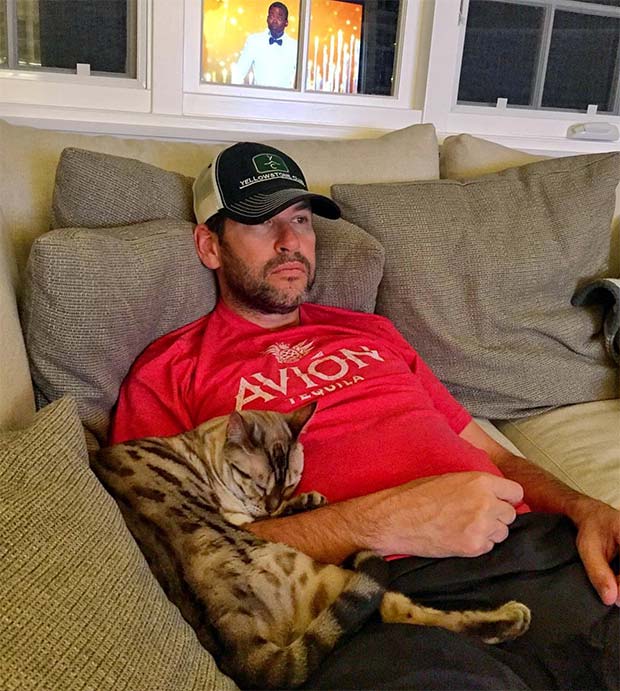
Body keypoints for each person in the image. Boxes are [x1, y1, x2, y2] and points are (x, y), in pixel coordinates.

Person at [110, 141, 620, 689]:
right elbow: (182, 556)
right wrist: (387, 521)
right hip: (380, 605)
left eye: (300, 219)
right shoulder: (169, 370)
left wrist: (583, 509)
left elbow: (492, 452)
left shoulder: (370, 332)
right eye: (260, 223)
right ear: (209, 246)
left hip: (536, 550)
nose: (290, 243)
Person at [231, 2, 298, 89]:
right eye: (272, 16)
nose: (274, 20)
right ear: (267, 19)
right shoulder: (254, 41)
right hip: (258, 98)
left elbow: (301, 78)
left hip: (284, 100)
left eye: (279, 17)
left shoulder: (294, 46)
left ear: (286, 23)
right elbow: (239, 73)